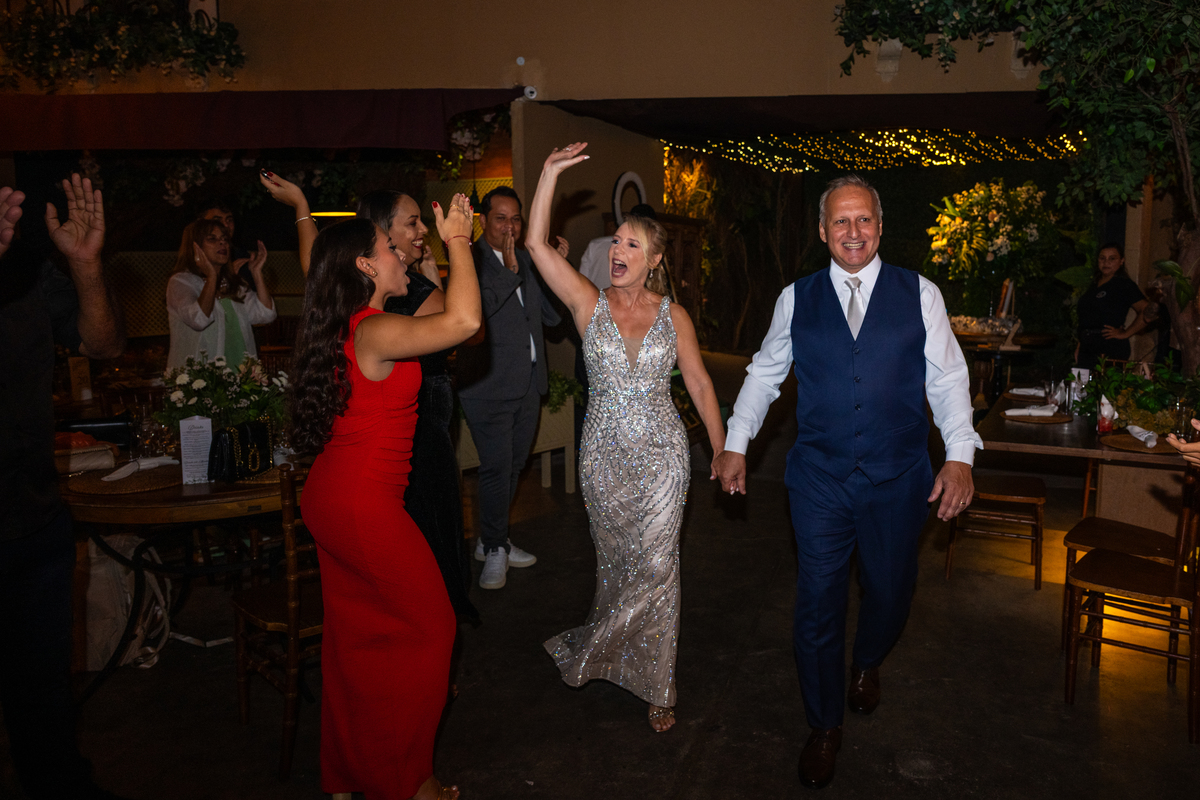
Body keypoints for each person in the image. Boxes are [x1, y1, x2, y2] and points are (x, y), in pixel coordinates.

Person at [712, 175, 980, 789]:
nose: (852, 232)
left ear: (879, 227)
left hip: (899, 477)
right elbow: (764, 374)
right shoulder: (796, 299)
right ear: (823, 231)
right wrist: (735, 444)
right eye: (840, 221)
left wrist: (960, 456)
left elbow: (947, 379)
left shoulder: (920, 294)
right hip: (820, 479)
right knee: (817, 601)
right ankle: (824, 725)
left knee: (891, 590)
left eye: (863, 220)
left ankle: (868, 659)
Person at [526, 143, 727, 732]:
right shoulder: (587, 303)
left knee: (660, 566)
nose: (618, 251)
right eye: (615, 242)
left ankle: (658, 684)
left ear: (655, 259)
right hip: (604, 458)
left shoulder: (674, 316)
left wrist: (721, 449)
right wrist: (548, 173)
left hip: (665, 456)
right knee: (619, 566)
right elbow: (535, 245)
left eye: (632, 244)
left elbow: (700, 384)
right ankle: (606, 647)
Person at [289, 195, 479, 800]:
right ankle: (410, 782)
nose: (402, 254)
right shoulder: (372, 329)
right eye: (390, 248)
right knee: (434, 628)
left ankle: (347, 777)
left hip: (331, 496)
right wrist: (458, 241)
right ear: (367, 266)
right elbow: (465, 323)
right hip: (362, 506)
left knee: (354, 643)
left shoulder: (346, 324)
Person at [1, 175, 127, 799]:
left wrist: (84, 267)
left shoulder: (24, 270)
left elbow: (103, 343)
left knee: (45, 700)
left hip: (33, 518)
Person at [357, 189, 480, 624]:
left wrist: (300, 207)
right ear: (379, 237)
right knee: (429, 532)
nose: (421, 230)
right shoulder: (385, 313)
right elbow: (468, 326)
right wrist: (457, 243)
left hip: (401, 440)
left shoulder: (366, 299)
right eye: (410, 223)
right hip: (412, 440)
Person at [455, 186, 561, 590]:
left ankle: (491, 539)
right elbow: (474, 315)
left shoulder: (528, 258)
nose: (510, 227)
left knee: (514, 466)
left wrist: (553, 269)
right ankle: (496, 546)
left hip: (529, 383)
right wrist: (510, 271)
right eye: (501, 218)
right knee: (497, 468)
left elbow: (551, 318)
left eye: (516, 219)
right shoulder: (470, 259)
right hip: (489, 386)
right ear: (483, 221)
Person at [165, 218, 275, 369]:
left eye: (225, 239)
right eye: (212, 239)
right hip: (201, 377)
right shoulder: (182, 282)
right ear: (195, 247)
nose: (222, 243)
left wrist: (256, 273)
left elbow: (266, 315)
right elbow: (199, 320)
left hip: (239, 374)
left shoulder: (234, 284)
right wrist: (211, 277)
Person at [1075, 243, 1149, 369]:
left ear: (1121, 261)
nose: (1106, 262)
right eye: (1102, 258)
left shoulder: (1124, 285)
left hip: (1109, 345)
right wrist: (1079, 345)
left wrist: (1126, 333)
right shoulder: (1094, 285)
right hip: (1087, 346)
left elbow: (1147, 309)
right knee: (1083, 381)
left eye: (1112, 258)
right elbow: (1086, 319)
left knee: (1107, 380)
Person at [577, 202, 658, 291]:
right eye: (615, 241)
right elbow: (580, 284)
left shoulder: (596, 244)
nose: (617, 249)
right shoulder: (595, 245)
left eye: (632, 245)